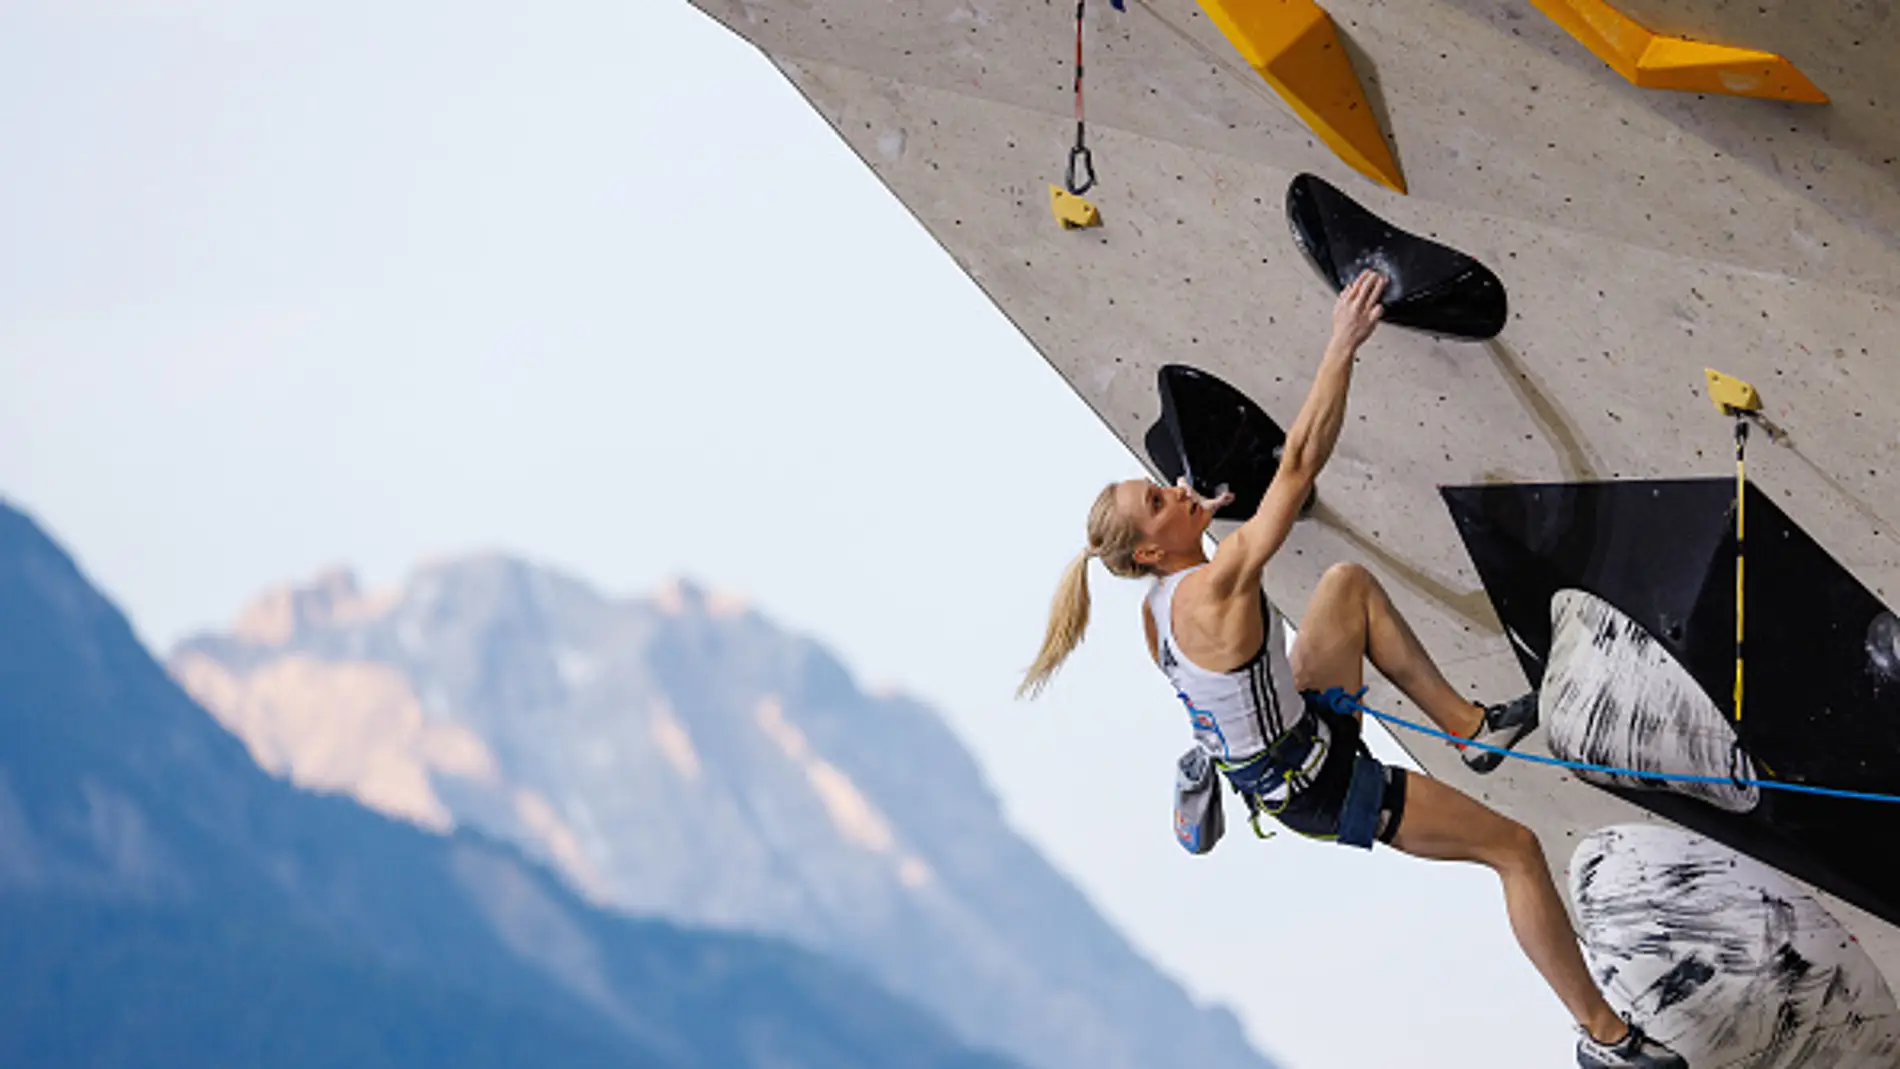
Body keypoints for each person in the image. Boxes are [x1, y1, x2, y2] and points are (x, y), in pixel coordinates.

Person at [1019, 271, 1687, 1069]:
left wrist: (1210, 508)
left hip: (1290, 734)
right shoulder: (1214, 580)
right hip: (1323, 784)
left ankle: (1469, 728)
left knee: (1344, 588)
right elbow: (1297, 465)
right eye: (1159, 500)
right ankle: (1605, 1040)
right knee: (1514, 847)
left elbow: (1234, 676)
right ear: (1151, 549)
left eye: (1160, 484)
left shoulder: (1153, 610)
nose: (1175, 488)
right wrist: (1342, 345)